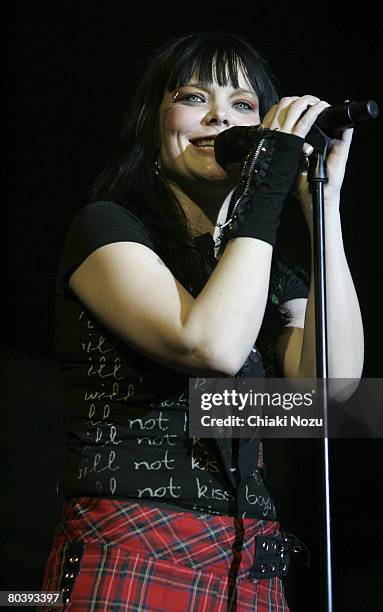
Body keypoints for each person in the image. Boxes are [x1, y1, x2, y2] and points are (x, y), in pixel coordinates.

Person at [39, 31, 364, 611]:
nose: (221, 118)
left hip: (249, 562)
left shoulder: (263, 274)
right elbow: (209, 345)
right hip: (135, 548)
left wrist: (323, 207)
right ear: (152, 120)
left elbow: (331, 393)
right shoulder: (107, 228)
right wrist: (266, 184)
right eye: (194, 97)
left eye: (243, 106)